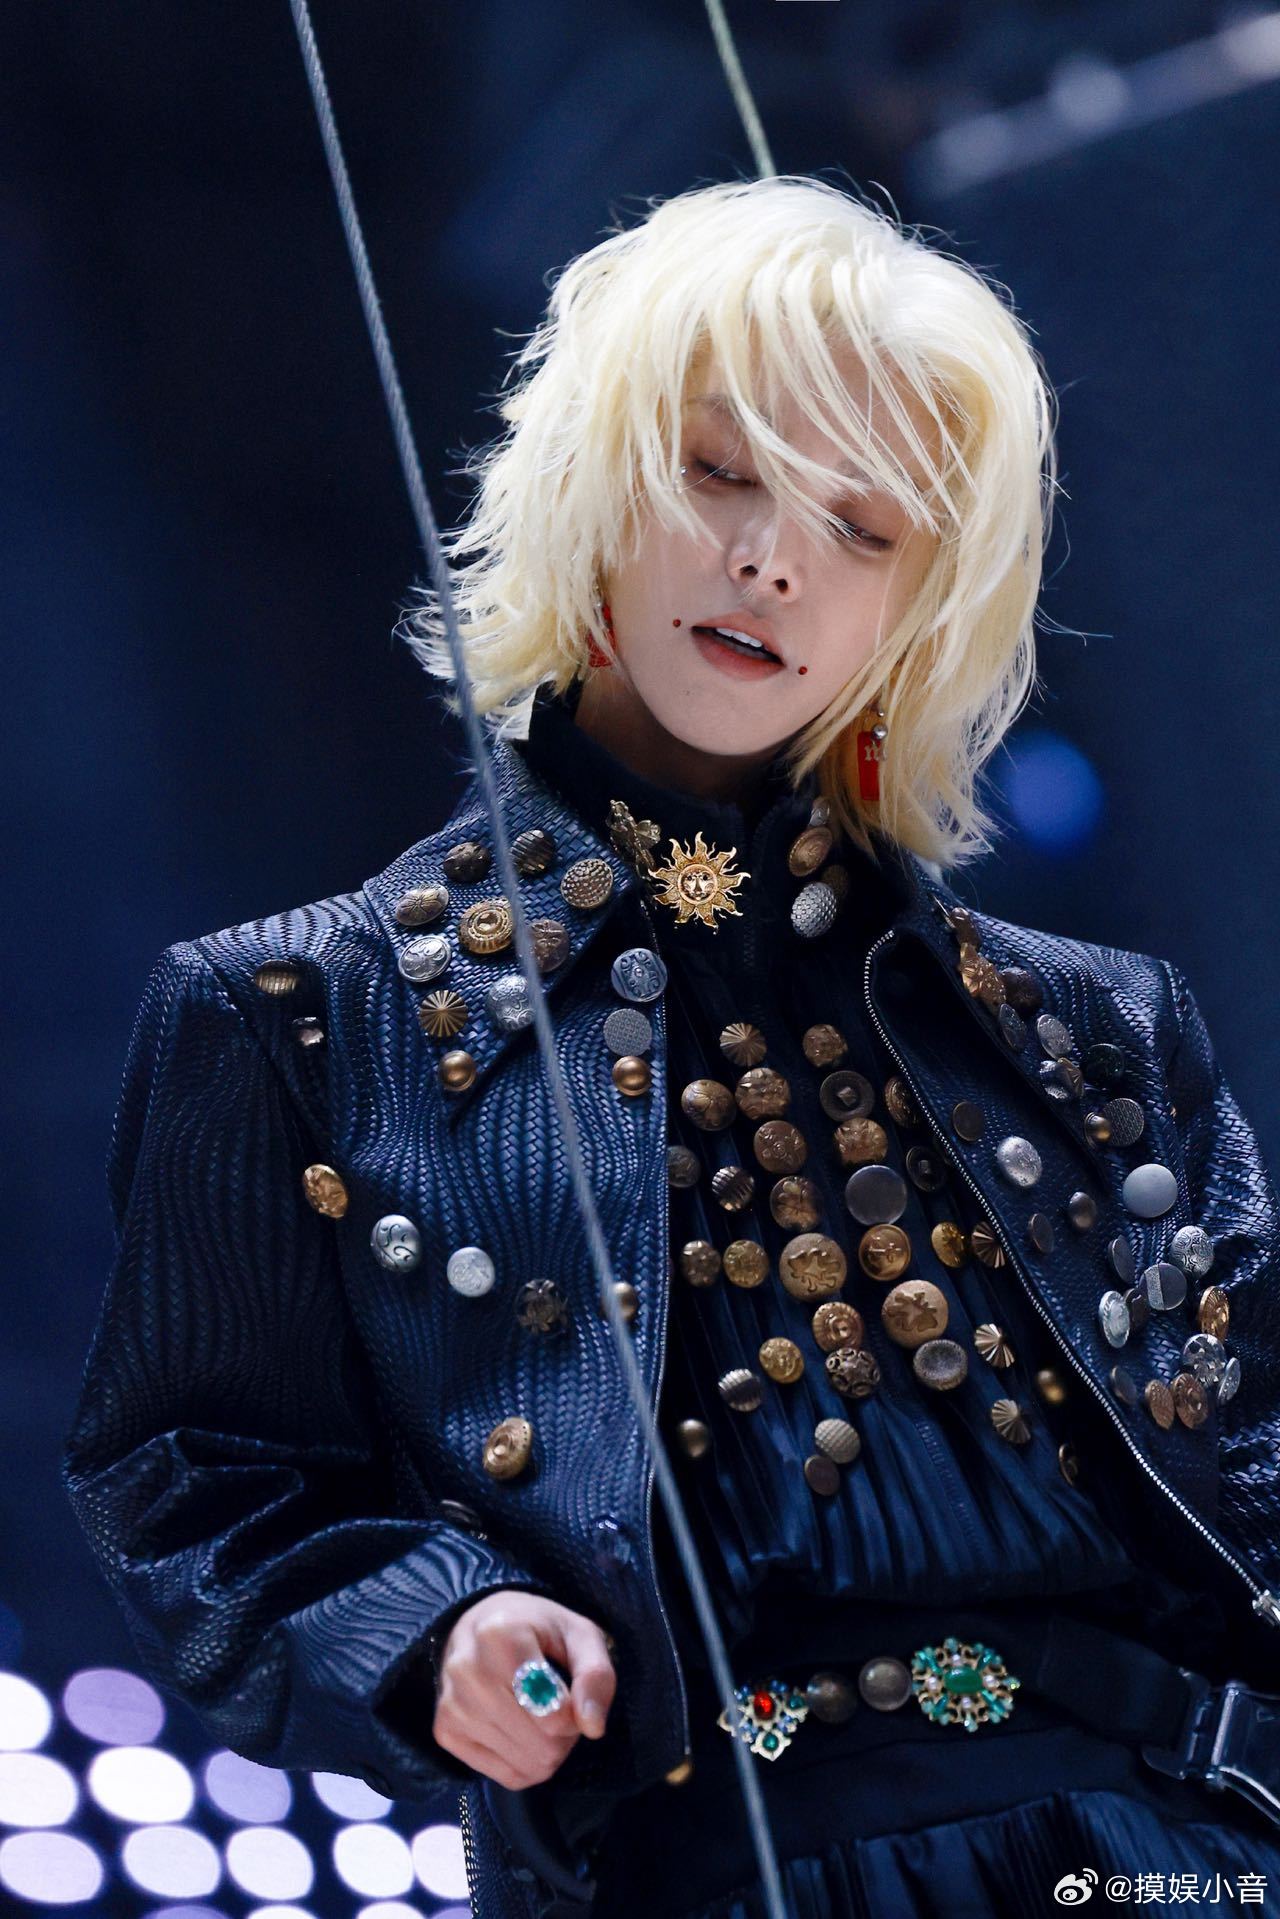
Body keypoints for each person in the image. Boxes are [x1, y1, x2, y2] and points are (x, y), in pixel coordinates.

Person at [62, 176, 1280, 1919]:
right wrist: (437, 1629)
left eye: (865, 525)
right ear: (591, 476)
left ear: (925, 606)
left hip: (1183, 1861)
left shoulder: (1101, 1027)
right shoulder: (299, 1019)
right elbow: (194, 1477)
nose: (775, 556)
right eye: (719, 471)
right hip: (713, 1871)